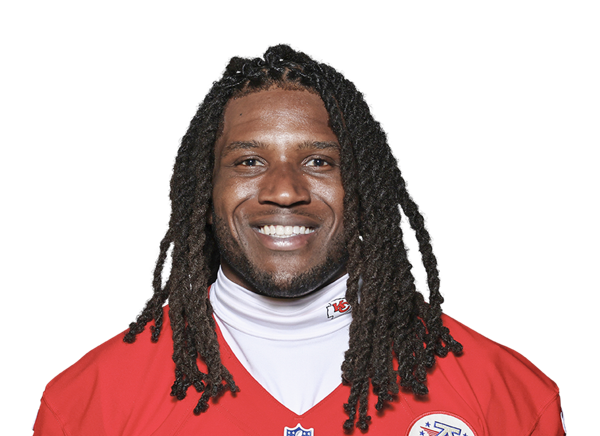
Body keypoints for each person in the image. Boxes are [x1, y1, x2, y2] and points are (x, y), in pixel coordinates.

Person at [32, 43, 565, 435]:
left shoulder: (505, 393)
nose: (284, 191)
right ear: (205, 193)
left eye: (318, 162)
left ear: (364, 187)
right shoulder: (87, 402)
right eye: (249, 161)